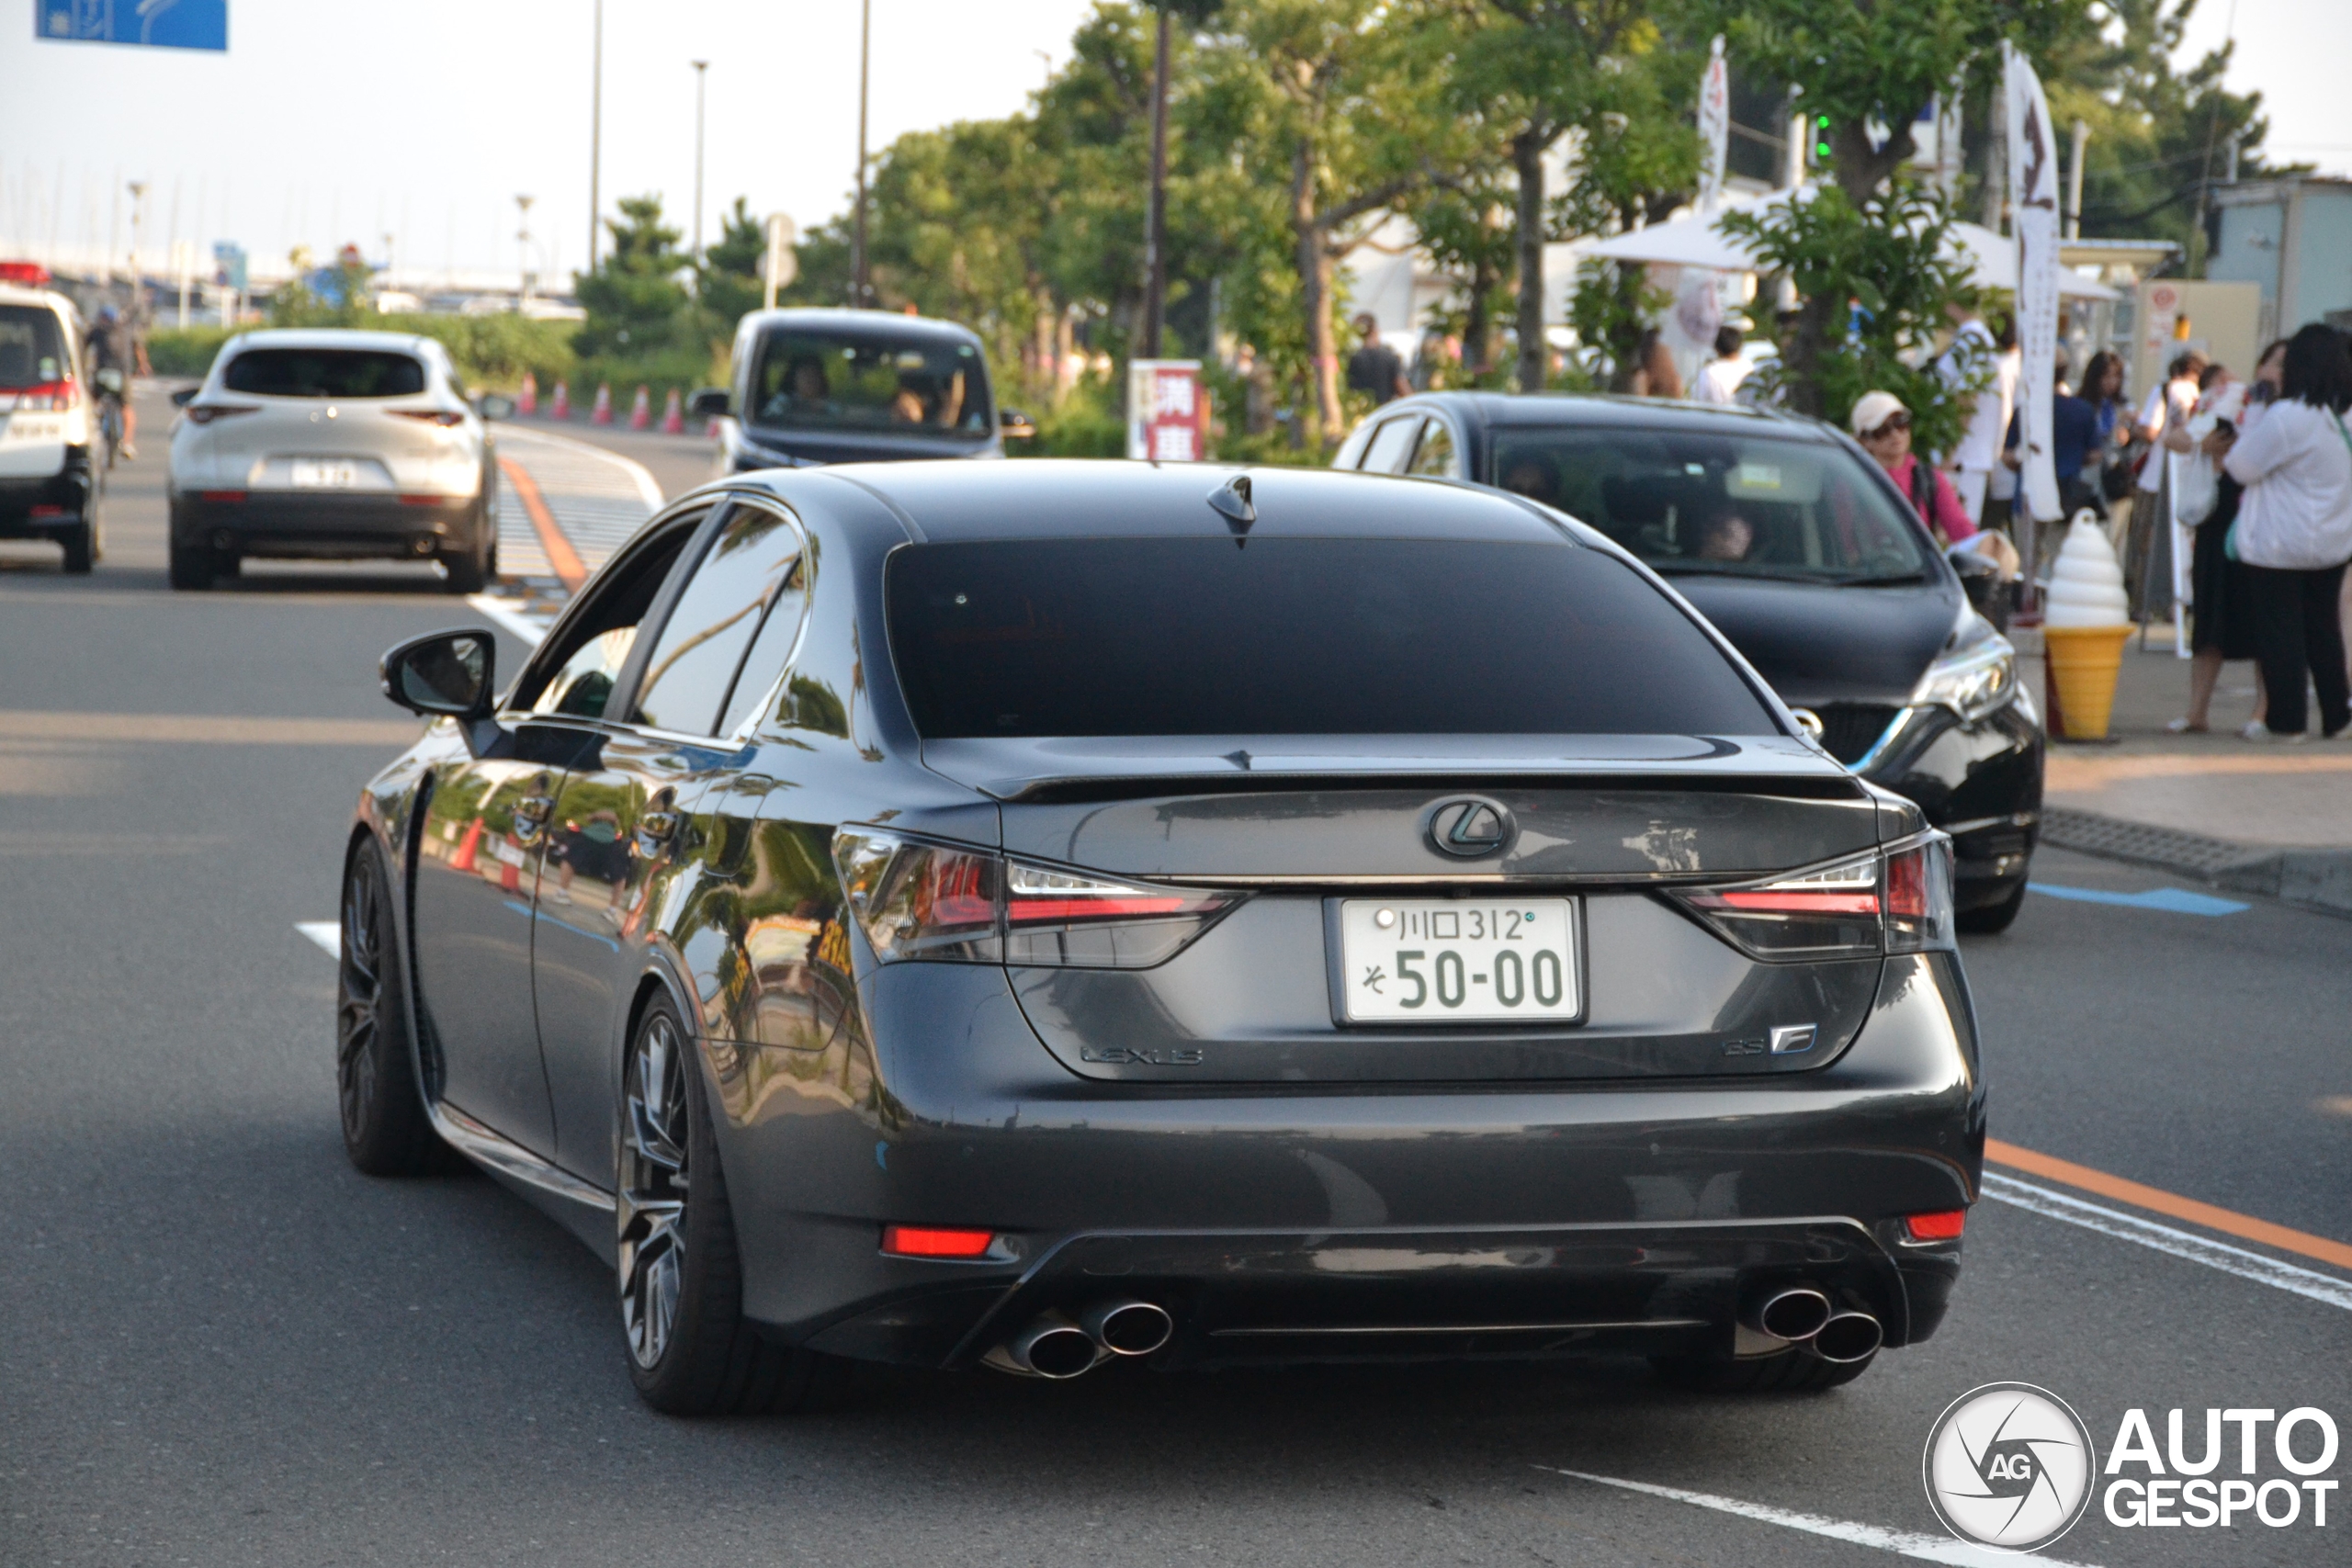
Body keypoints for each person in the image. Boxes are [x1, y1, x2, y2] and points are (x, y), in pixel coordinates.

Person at [2211, 323, 2352, 740]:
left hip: (2281, 543)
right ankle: (2338, 715)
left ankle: (2287, 721)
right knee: (2323, 632)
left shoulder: (2289, 416)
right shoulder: (2337, 417)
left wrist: (2255, 411)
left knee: (2281, 634)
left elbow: (2241, 466)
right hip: (2330, 542)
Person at [2170, 355, 2271, 735]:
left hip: (2257, 522)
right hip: (2217, 521)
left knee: (2263, 623)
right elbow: (2173, 437)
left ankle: (2261, 712)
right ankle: (2197, 711)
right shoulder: (2216, 413)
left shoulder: (2275, 412)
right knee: (2209, 618)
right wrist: (2205, 444)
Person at [1852, 390, 1976, 546]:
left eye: (1900, 423)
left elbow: (1961, 530)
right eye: (1882, 430)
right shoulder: (1853, 483)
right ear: (1864, 440)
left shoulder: (1929, 478)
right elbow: (1848, 545)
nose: (1895, 434)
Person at [1938, 306, 2017, 526]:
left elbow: (1966, 397)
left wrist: (1948, 452)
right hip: (1969, 459)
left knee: (1954, 528)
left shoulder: (1971, 338)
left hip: (1961, 460)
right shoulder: (1976, 339)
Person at [85, 303, 146, 459]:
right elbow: (139, 348)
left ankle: (90, 436)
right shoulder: (127, 330)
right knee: (127, 409)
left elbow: (84, 347)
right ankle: (127, 443)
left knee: (92, 404)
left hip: (102, 374)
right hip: (122, 375)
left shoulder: (97, 331)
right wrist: (143, 366)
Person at [1344, 314, 1409, 407]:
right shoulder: (1389, 356)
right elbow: (1403, 389)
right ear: (1376, 330)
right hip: (1384, 413)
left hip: (1359, 413)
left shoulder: (1351, 358)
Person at [1692, 325, 1747, 405]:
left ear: (1716, 347)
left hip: (1719, 415)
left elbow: (1698, 399)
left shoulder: (1710, 372)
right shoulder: (1751, 368)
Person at [1627, 327, 1683, 400]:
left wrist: (1677, 392)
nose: (1671, 364)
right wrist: (1641, 391)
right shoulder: (1642, 381)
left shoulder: (1675, 384)